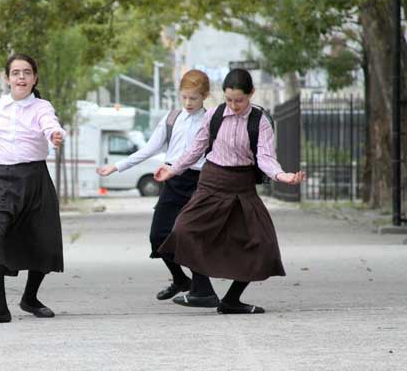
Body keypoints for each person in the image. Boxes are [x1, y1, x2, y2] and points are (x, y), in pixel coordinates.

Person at [154, 68, 305, 314]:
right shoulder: (214, 115)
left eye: (239, 100)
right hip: (212, 183)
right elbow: (196, 149)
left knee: (263, 243)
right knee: (183, 231)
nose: (233, 106)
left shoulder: (260, 121)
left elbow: (265, 157)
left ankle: (231, 300)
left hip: (242, 187)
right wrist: (173, 169)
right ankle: (201, 290)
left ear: (251, 93)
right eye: (229, 100)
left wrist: (281, 175)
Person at [97, 70, 210, 301]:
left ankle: (203, 291)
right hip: (172, 182)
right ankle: (180, 279)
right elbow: (149, 149)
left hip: (199, 183)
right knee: (158, 235)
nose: (188, 103)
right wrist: (117, 166)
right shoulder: (172, 119)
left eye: (194, 98)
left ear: (205, 96)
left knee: (190, 236)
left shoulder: (211, 121)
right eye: (184, 97)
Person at [0, 53, 66, 324]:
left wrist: (55, 134)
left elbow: (51, 125)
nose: (21, 77)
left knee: (45, 242)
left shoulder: (42, 107)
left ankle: (30, 298)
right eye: (16, 73)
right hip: (2, 180)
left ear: (34, 78)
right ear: (7, 78)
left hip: (36, 178)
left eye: (27, 72)